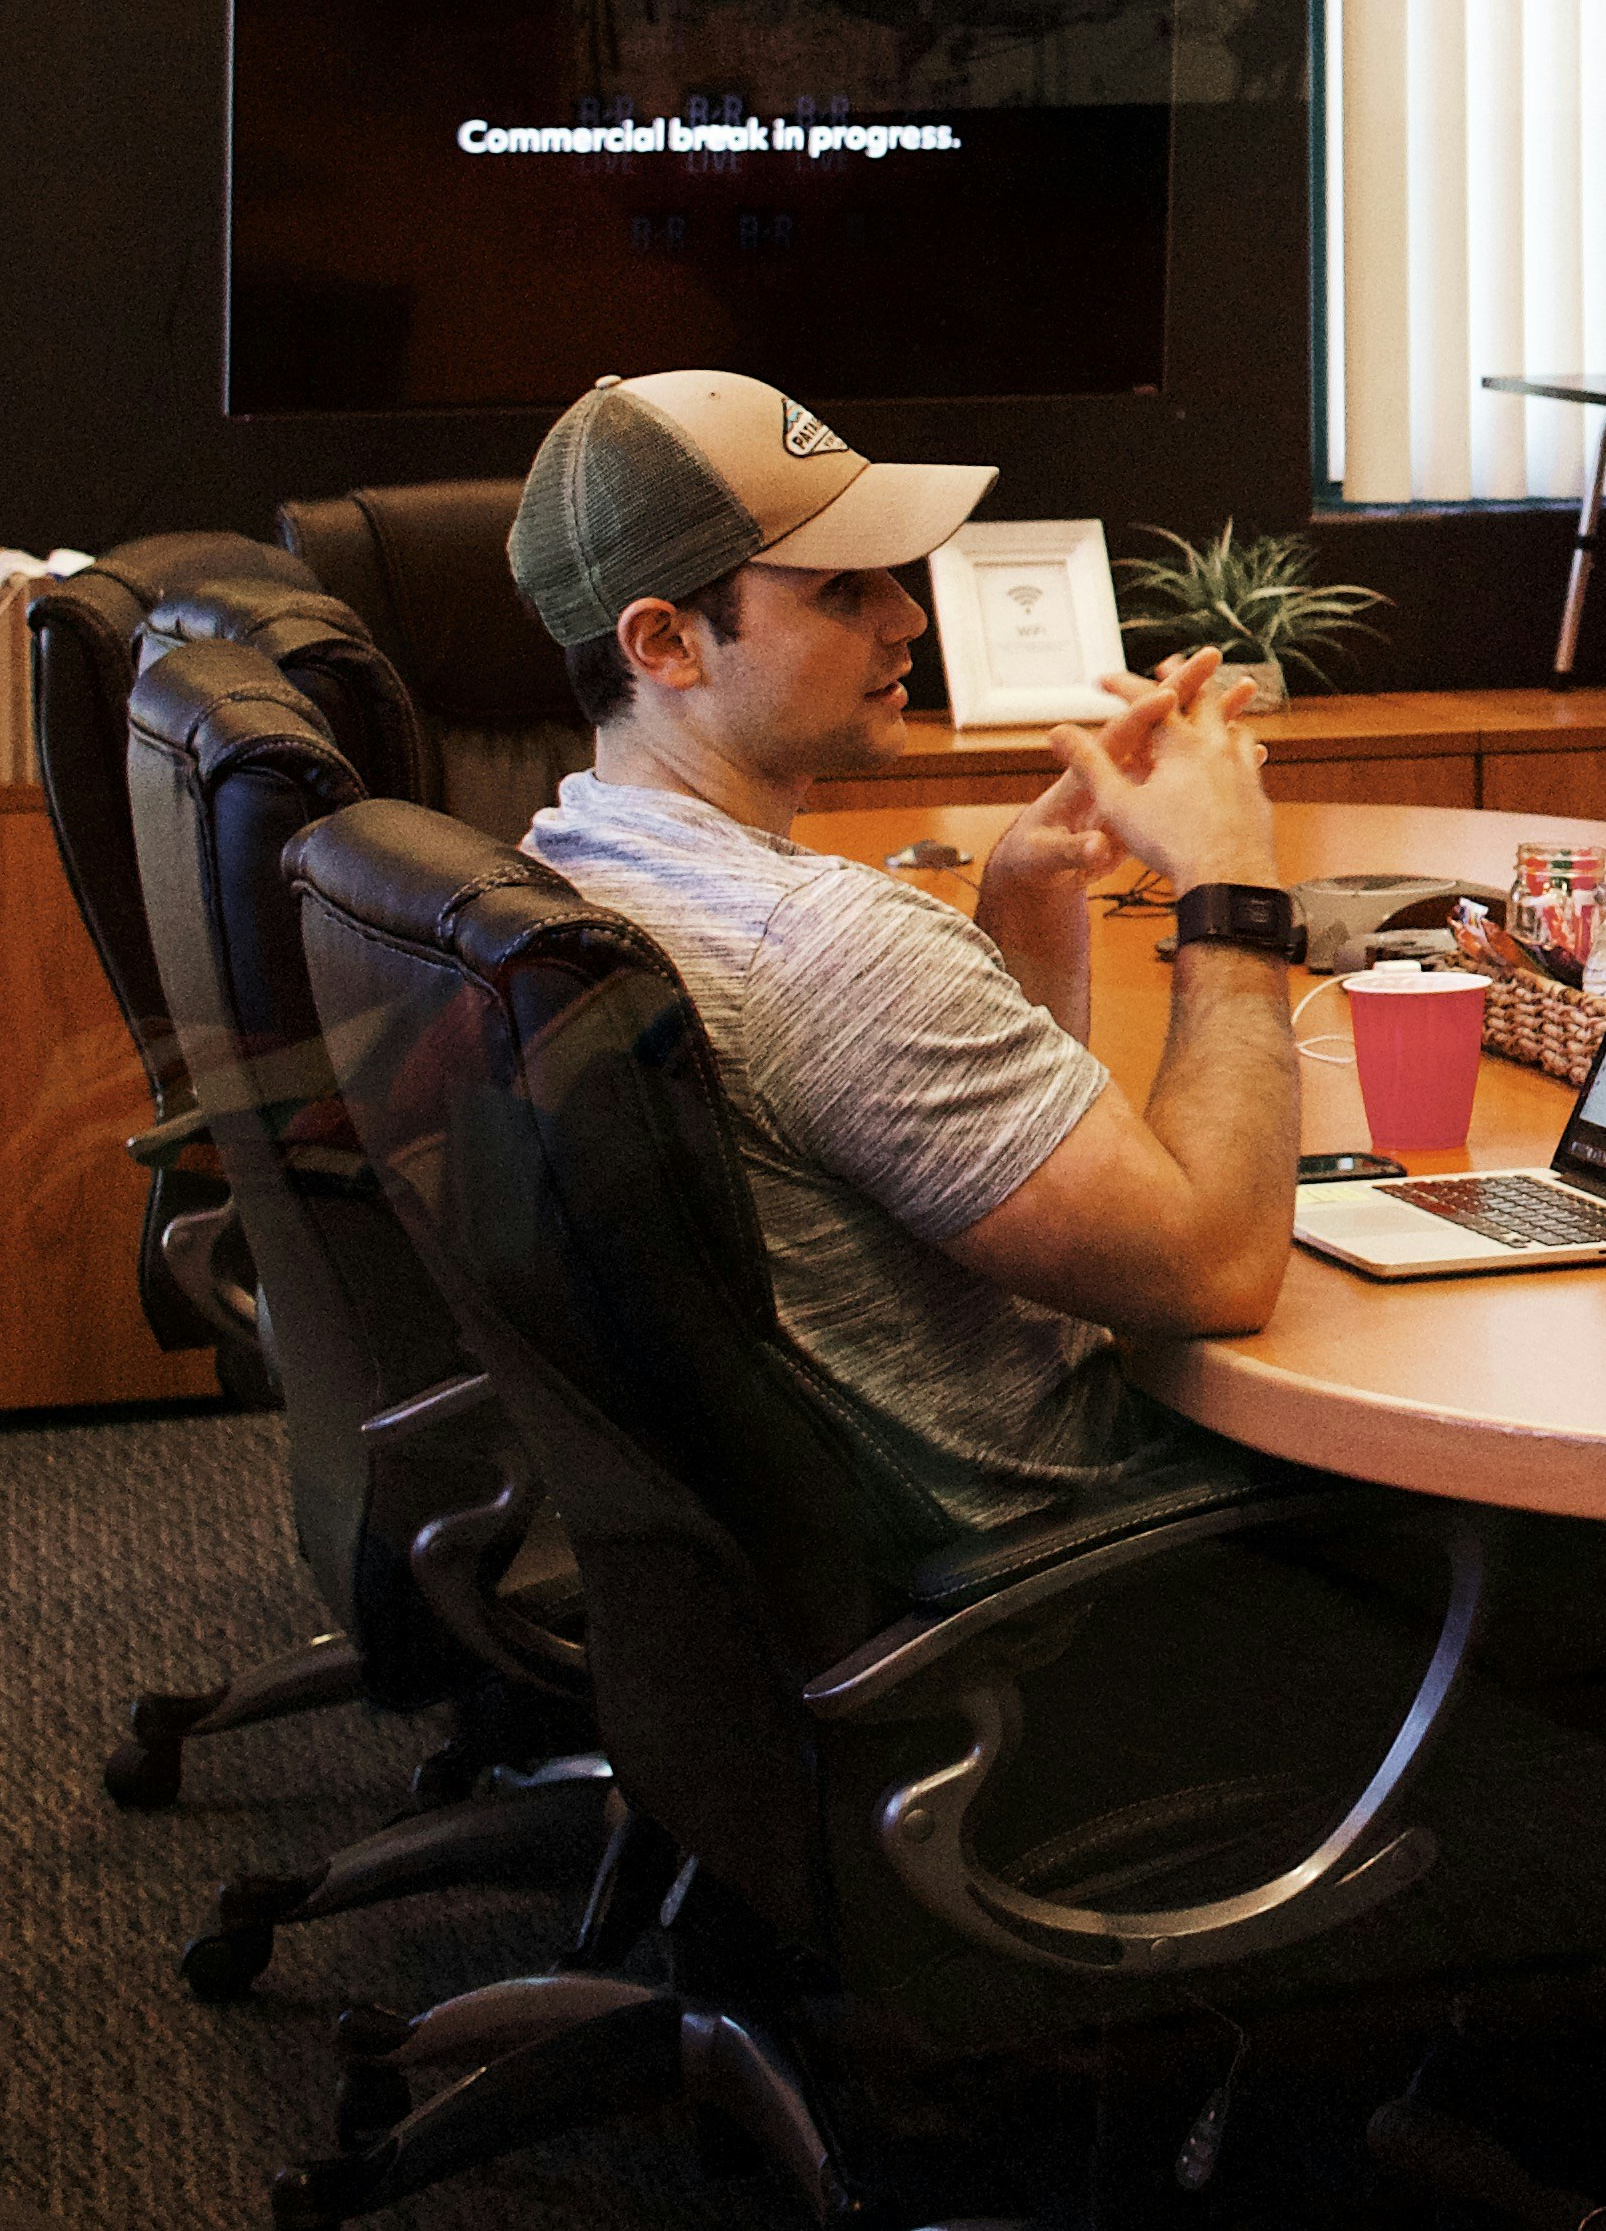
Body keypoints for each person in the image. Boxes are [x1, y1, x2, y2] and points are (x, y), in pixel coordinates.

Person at [503, 364, 1343, 1539]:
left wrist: (1024, 888)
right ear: (667, 641)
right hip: (1085, 1553)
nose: (907, 614)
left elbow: (980, 1164)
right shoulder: (820, 944)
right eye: (842, 588)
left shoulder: (563, 856)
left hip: (827, 1558)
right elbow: (1213, 1270)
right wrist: (1231, 884)